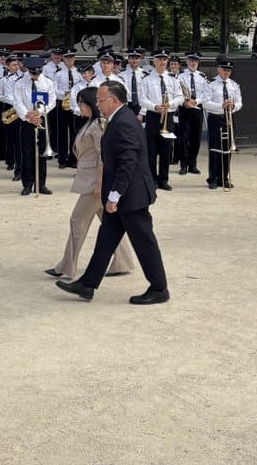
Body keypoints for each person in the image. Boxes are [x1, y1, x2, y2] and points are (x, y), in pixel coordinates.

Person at [55, 81, 169, 305]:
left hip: (131, 196)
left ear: (114, 100)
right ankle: (87, 284)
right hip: (123, 193)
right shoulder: (118, 118)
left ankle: (159, 288)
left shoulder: (124, 121)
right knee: (106, 240)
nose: (97, 104)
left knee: (144, 242)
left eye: (100, 100)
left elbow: (128, 162)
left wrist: (115, 195)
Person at [44, 88, 135, 280]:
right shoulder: (90, 123)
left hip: (94, 183)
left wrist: (100, 184)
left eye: (81, 103)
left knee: (77, 221)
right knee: (111, 225)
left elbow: (103, 157)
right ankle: (123, 261)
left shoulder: (98, 125)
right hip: (91, 180)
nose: (79, 107)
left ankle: (67, 266)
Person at [12, 56, 56, 196]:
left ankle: (41, 184)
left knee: (42, 153)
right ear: (28, 70)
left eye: (37, 73)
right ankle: (27, 184)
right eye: (33, 73)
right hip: (26, 121)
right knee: (27, 153)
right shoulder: (19, 82)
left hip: (42, 119)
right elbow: (17, 102)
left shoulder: (48, 82)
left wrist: (38, 112)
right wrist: (28, 116)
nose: (35, 76)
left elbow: (52, 101)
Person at [139, 49, 180, 190]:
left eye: (164, 59)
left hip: (168, 117)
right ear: (154, 61)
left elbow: (180, 97)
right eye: (159, 59)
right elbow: (142, 99)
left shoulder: (173, 79)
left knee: (166, 150)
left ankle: (163, 180)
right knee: (151, 150)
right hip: (153, 116)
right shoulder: (146, 80)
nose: (162, 62)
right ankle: (152, 180)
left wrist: (170, 104)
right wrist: (154, 106)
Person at [204, 57, 243, 190]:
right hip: (215, 118)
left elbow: (239, 102)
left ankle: (224, 178)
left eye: (229, 70)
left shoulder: (234, 85)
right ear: (218, 69)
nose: (226, 72)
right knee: (215, 149)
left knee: (227, 150)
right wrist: (221, 105)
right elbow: (205, 103)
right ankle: (213, 179)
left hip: (229, 118)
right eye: (224, 70)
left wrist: (233, 106)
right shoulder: (211, 84)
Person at [177, 51, 208, 175]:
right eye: (191, 61)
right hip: (184, 109)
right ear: (187, 62)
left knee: (196, 138)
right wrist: (184, 102)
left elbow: (205, 94)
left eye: (195, 61)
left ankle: (192, 164)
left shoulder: (202, 77)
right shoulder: (180, 76)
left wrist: (196, 101)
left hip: (197, 109)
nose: (193, 63)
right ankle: (183, 165)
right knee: (183, 138)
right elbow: (177, 91)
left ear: (198, 62)